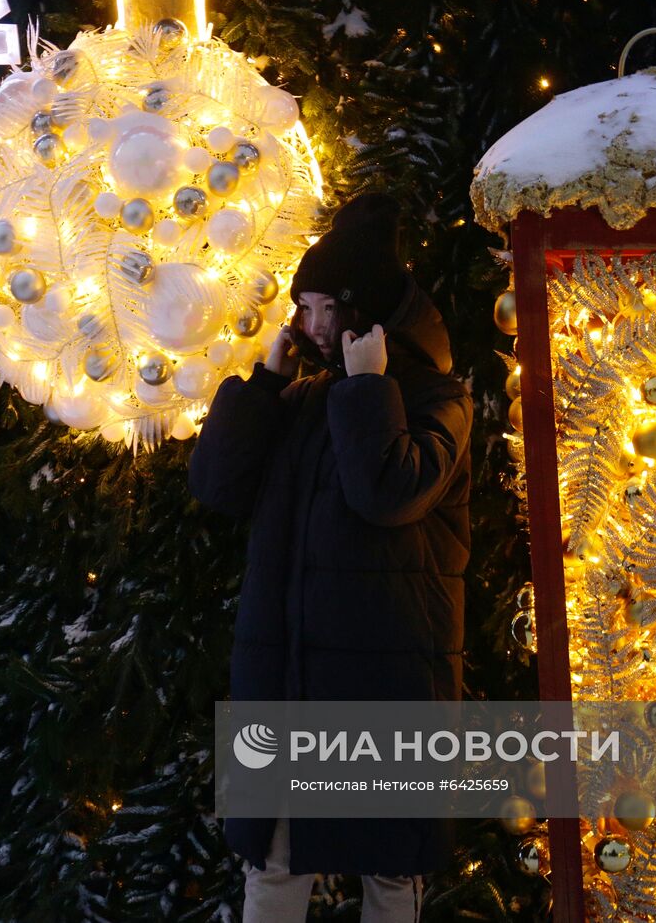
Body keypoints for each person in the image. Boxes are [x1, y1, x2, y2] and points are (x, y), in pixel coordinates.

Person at [188, 193, 473, 922]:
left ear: (367, 314)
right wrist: (264, 386)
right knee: (275, 862)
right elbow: (218, 486)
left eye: (325, 309)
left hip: (389, 681)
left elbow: (387, 493)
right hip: (289, 675)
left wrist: (371, 386)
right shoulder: (306, 396)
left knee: (388, 870)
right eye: (302, 308)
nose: (311, 327)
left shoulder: (440, 398)